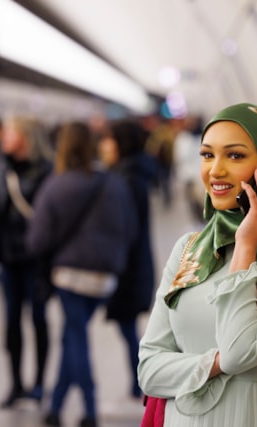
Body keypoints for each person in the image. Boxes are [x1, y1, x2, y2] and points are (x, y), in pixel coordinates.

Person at [137, 103, 257, 426]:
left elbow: (239, 352)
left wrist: (245, 244)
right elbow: (149, 371)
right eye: (206, 155)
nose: (215, 170)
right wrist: (213, 362)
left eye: (235, 156)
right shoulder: (189, 250)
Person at [26, 122, 138, 427]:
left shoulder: (56, 185)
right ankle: (56, 407)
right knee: (72, 335)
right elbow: (130, 230)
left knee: (76, 338)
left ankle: (89, 409)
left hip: (69, 276)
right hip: (105, 277)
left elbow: (37, 240)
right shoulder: (113, 184)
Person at [0, 117, 53, 408]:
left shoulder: (45, 172)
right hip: (9, 258)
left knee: (39, 319)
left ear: (26, 137)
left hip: (36, 259)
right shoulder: (2, 168)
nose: (4, 136)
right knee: (11, 321)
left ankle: (40, 383)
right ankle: (15, 384)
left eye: (10, 132)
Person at [98, 119, 155, 400]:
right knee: (127, 326)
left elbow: (125, 227)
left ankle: (141, 380)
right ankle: (139, 380)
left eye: (108, 139)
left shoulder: (126, 179)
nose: (103, 145)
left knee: (127, 326)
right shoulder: (132, 175)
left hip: (127, 266)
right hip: (133, 262)